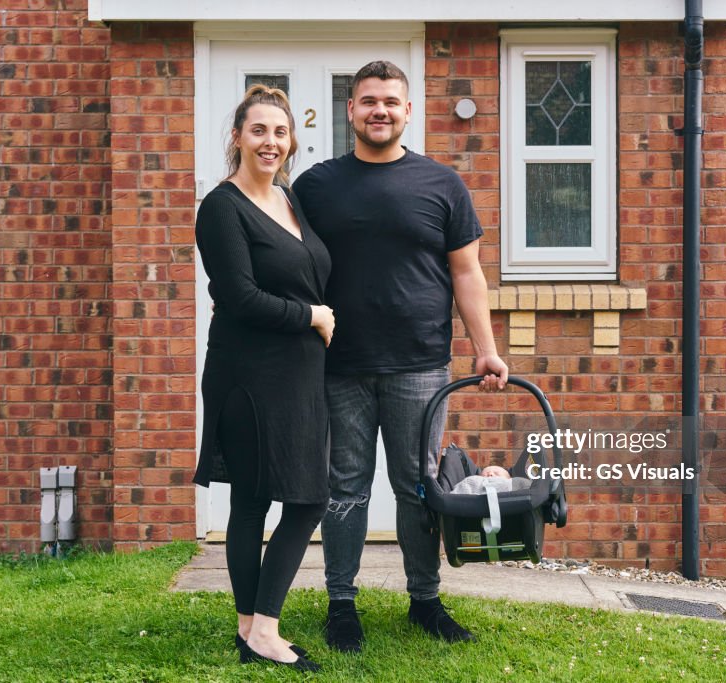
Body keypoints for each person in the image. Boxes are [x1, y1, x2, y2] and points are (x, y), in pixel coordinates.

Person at [293, 60, 509, 653]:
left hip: (420, 365)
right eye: (368, 101)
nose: (379, 110)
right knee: (345, 488)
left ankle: (425, 600)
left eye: (390, 100)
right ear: (351, 111)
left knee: (418, 487)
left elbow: (467, 273)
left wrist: (486, 351)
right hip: (339, 365)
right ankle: (342, 606)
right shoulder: (315, 185)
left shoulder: (442, 184)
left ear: (408, 111)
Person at [193, 85, 334, 673]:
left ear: (291, 141)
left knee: (296, 496)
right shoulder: (221, 207)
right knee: (279, 500)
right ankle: (265, 628)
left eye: (279, 132)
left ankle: (250, 625)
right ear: (237, 137)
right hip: (247, 373)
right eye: (258, 131)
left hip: (298, 373)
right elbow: (239, 297)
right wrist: (311, 315)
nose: (270, 142)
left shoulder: (289, 198)